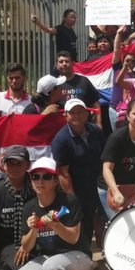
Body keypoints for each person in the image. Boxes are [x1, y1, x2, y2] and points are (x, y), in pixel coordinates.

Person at [1, 157, 92, 270]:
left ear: (56, 180)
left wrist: (55, 225)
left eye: (46, 177)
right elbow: (26, 247)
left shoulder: (69, 201)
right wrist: (34, 229)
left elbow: (73, 238)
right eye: (35, 177)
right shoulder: (29, 207)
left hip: (78, 257)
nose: (40, 181)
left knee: (52, 267)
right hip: (46, 260)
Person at [52, 99, 105, 244]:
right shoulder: (61, 140)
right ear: (66, 116)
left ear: (86, 114)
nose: (77, 116)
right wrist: (72, 198)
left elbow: (104, 158)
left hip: (98, 183)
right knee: (84, 221)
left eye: (80, 112)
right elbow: (63, 173)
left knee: (101, 216)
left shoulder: (96, 131)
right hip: (78, 186)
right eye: (72, 112)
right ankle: (85, 252)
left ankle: (104, 248)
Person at [0, 146, 35, 270]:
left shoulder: (37, 186)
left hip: (37, 241)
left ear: (28, 165)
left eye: (19, 163)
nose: (14, 168)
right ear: (4, 166)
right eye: (10, 163)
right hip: (10, 245)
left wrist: (27, 246)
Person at [55, 51, 102, 129]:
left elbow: (96, 104)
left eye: (67, 61)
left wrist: (99, 123)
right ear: (56, 65)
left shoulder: (84, 81)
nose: (64, 64)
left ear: (72, 64)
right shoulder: (54, 85)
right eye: (61, 62)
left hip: (84, 126)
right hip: (62, 127)